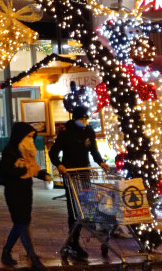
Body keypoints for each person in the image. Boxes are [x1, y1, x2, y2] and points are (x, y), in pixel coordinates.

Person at [48, 108, 110, 260]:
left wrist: (100, 162)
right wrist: (59, 165)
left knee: (84, 208)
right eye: (81, 119)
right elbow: (53, 152)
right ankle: (74, 241)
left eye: (85, 119)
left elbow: (93, 150)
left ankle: (75, 239)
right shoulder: (66, 133)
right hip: (71, 174)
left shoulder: (88, 131)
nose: (84, 121)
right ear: (75, 119)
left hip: (84, 173)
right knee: (74, 210)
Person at [0, 122, 52, 270]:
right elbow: (6, 170)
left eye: (32, 137)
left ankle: (6, 252)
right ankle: (33, 258)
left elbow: (34, 168)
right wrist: (22, 170)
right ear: (20, 136)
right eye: (28, 136)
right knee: (22, 223)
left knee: (21, 223)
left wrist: (43, 174)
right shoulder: (10, 151)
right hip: (14, 191)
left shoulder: (28, 152)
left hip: (26, 190)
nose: (30, 139)